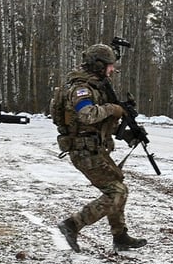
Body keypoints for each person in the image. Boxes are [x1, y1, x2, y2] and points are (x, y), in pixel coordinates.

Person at [54, 43, 147, 252]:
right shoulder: (81, 88)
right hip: (83, 150)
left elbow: (102, 124)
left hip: (94, 148)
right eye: (109, 66)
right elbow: (87, 115)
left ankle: (120, 236)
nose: (112, 70)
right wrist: (113, 109)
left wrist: (130, 134)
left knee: (118, 187)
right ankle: (72, 224)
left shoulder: (96, 87)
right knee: (116, 192)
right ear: (98, 65)